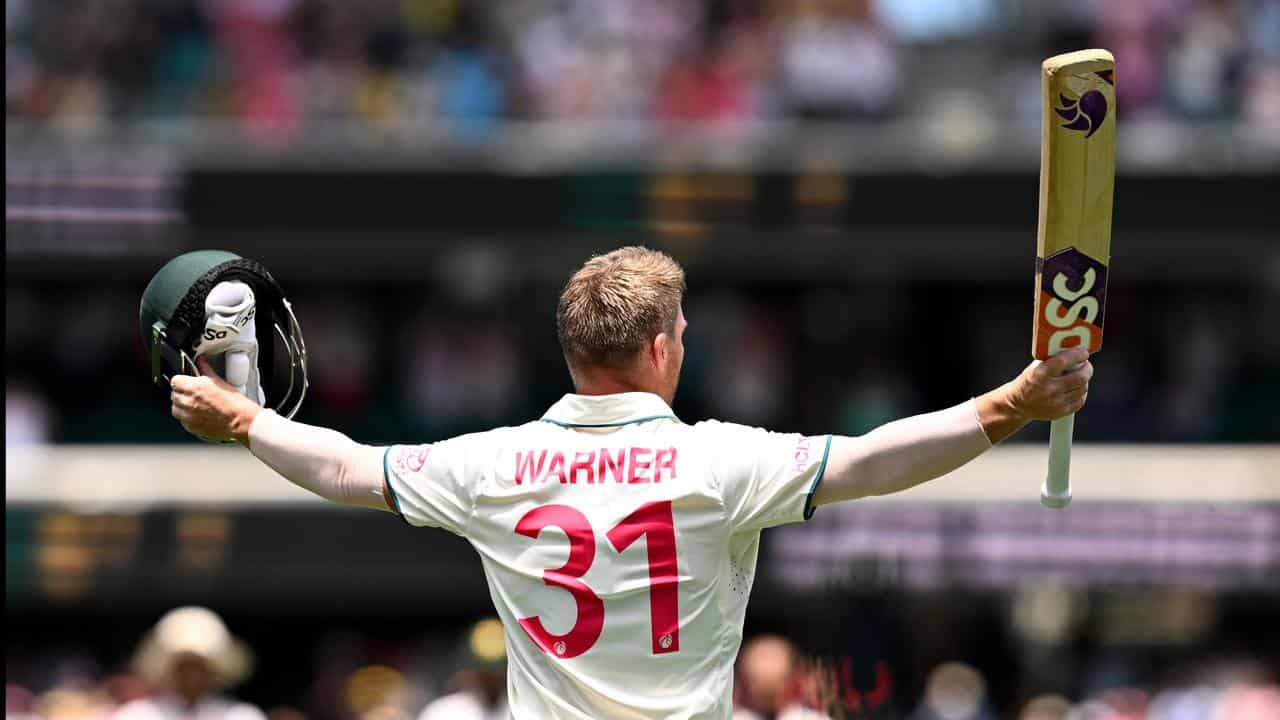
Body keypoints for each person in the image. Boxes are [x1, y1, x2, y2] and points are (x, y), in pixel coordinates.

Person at [168, 246, 1093, 719]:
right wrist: (1015, 399)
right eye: (682, 333)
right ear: (660, 347)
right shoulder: (719, 461)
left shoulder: (490, 465)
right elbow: (877, 458)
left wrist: (245, 417)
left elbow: (342, 468)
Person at [113, 606, 265, 720]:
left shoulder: (241, 715)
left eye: (199, 667)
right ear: (170, 669)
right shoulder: (137, 715)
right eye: (185, 667)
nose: (192, 677)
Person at [418, 618, 509, 720]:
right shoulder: (442, 712)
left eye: (494, 674)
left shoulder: (524, 709)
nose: (490, 682)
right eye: (483, 675)